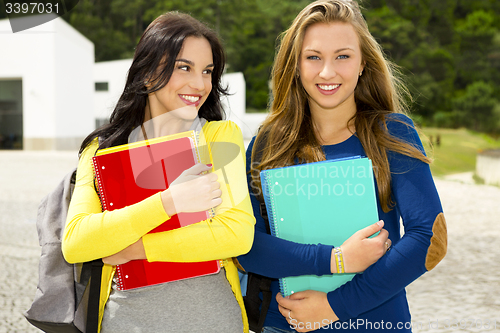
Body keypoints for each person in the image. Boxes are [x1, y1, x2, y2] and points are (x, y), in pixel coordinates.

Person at [237, 0, 447, 332]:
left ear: (364, 63)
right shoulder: (267, 142)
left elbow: (429, 238)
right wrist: (336, 259)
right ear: (295, 65)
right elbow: (245, 245)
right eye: (313, 57)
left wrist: (335, 306)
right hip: (281, 324)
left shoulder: (393, 132)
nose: (327, 72)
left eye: (343, 56)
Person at [62, 12, 255, 333]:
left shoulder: (219, 136)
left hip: (214, 320)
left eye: (207, 71)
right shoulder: (101, 149)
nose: (200, 83)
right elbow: (77, 243)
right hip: (126, 322)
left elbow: (236, 234)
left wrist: (135, 248)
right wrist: (170, 201)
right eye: (184, 67)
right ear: (149, 72)